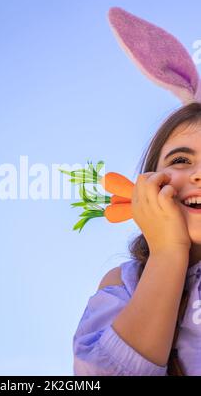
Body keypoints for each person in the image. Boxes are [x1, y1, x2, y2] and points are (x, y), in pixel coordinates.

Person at [73, 102, 201, 376]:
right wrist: (168, 252)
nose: (198, 174)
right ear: (148, 185)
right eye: (181, 160)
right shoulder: (125, 281)